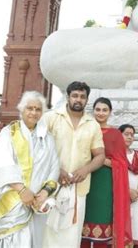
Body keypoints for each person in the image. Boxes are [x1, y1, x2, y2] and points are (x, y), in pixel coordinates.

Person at [0, 91, 59, 247]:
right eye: (30, 108)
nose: (34, 113)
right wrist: (22, 191)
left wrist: (44, 193)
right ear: (22, 109)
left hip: (36, 203)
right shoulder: (9, 133)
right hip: (11, 201)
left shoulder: (47, 138)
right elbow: (2, 165)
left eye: (38, 109)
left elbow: (54, 168)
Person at [43, 81, 105, 247]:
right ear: (68, 97)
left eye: (82, 97)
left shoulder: (93, 125)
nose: (78, 99)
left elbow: (100, 155)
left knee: (72, 235)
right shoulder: (51, 118)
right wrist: (57, 170)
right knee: (47, 232)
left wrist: (86, 169)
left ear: (87, 100)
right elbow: (39, 149)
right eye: (75, 96)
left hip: (78, 187)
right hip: (50, 185)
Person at [81, 98, 132, 247]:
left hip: (104, 182)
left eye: (104, 110)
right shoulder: (86, 129)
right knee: (81, 222)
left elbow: (122, 163)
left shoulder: (115, 134)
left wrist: (101, 159)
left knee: (102, 220)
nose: (101, 113)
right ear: (93, 111)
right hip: (85, 178)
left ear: (110, 112)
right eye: (98, 109)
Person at [119, 124, 138, 247]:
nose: (129, 137)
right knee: (119, 232)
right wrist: (127, 191)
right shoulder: (115, 156)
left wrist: (137, 193)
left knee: (135, 231)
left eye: (132, 135)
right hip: (119, 198)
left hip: (136, 199)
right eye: (126, 134)